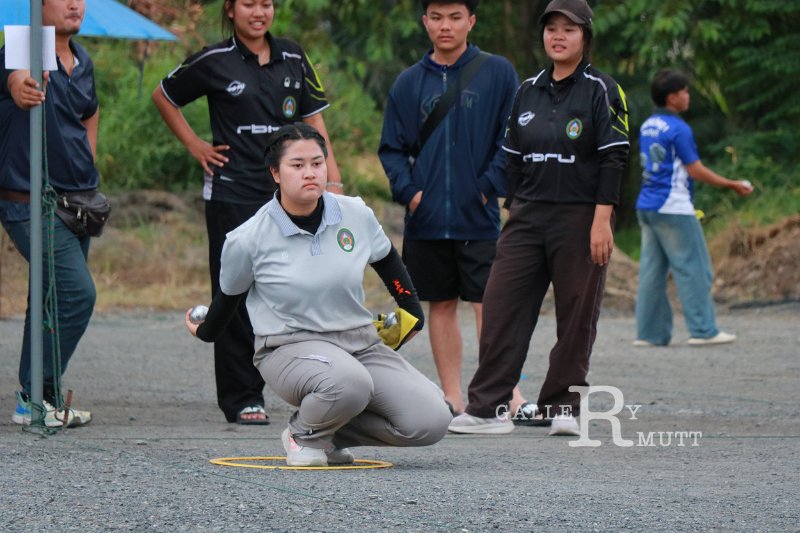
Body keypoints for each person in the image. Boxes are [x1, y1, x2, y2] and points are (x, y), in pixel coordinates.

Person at [185, 123, 451, 466]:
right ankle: (302, 435)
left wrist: (411, 309)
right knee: (350, 383)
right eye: (297, 165)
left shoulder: (355, 213)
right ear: (275, 173)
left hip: (359, 344)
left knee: (430, 420)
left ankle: (326, 430)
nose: (310, 173)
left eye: (317, 163)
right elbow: (228, 298)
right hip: (288, 348)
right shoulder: (248, 237)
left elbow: (387, 261)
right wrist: (206, 331)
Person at [152, 0, 343, 425]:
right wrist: (195, 145)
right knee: (235, 291)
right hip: (233, 193)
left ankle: (312, 389)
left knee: (303, 287)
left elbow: (313, 120)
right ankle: (242, 398)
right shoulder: (214, 59)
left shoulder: (292, 55)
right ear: (231, 9)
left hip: (293, 195)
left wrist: (331, 178)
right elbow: (164, 96)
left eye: (267, 3)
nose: (259, 12)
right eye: (249, 4)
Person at [448, 0, 630, 436]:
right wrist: (515, 207)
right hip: (528, 216)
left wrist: (602, 220)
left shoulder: (602, 89)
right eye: (552, 28)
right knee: (500, 306)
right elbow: (511, 156)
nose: (559, 36)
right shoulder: (527, 89)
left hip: (582, 218)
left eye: (569, 29)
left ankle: (561, 407)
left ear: (585, 36)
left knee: (576, 314)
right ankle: (487, 407)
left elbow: (614, 158)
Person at [378, 0, 533, 421]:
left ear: (471, 21)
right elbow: (391, 148)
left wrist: (487, 188)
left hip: (477, 215)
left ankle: (508, 394)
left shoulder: (497, 72)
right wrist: (410, 193)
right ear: (425, 22)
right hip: (426, 218)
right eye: (437, 17)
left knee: (490, 303)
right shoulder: (409, 82)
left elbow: (513, 134)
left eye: (455, 17)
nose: (446, 26)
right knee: (441, 305)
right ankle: (453, 397)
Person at [1, 0, 98, 427]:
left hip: (79, 204)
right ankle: (37, 393)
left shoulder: (82, 59)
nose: (75, 3)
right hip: (29, 201)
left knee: (47, 299)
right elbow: (17, 80)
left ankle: (36, 399)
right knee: (76, 293)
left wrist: (88, 166)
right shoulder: (22, 47)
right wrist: (23, 86)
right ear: (37, 5)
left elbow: (90, 113)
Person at [633, 69, 753, 347]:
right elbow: (695, 170)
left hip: (647, 206)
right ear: (673, 97)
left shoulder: (649, 124)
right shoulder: (679, 128)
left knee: (652, 272)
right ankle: (704, 330)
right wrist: (731, 183)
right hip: (673, 207)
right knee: (694, 268)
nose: (688, 96)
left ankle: (649, 335)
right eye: (685, 91)